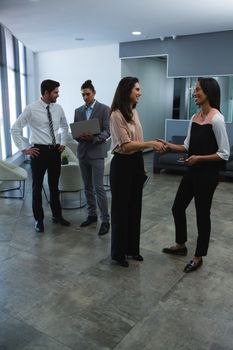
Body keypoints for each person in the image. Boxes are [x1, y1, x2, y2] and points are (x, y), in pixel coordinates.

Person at [162, 77, 230, 272]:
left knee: (202, 215)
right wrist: (167, 147)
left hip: (208, 176)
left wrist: (199, 158)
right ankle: (181, 245)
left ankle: (198, 256)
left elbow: (224, 153)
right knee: (177, 208)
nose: (194, 92)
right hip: (192, 172)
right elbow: (186, 146)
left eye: (198, 89)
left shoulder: (217, 118)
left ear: (207, 92)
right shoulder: (194, 117)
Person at [110, 76, 166, 267]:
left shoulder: (134, 112)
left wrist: (141, 167)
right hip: (122, 164)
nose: (140, 93)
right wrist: (150, 143)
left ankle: (132, 250)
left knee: (135, 209)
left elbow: (137, 142)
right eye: (137, 89)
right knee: (120, 210)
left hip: (135, 163)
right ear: (127, 91)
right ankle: (118, 254)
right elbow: (125, 146)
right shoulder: (116, 115)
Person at [11, 79, 70, 233]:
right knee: (37, 187)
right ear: (46, 92)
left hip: (55, 151)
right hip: (39, 152)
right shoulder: (31, 109)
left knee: (54, 186)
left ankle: (57, 216)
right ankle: (39, 220)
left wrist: (63, 141)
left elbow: (64, 126)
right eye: (55, 92)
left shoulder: (58, 108)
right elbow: (15, 129)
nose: (58, 94)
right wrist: (25, 148)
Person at [74, 80, 110, 236]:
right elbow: (75, 132)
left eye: (87, 94)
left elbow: (107, 132)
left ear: (94, 93)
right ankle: (92, 215)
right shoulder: (78, 111)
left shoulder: (104, 109)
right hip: (82, 153)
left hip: (96, 153)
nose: (85, 97)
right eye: (83, 94)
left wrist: (94, 138)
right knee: (87, 186)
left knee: (99, 187)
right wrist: (80, 136)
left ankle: (106, 220)